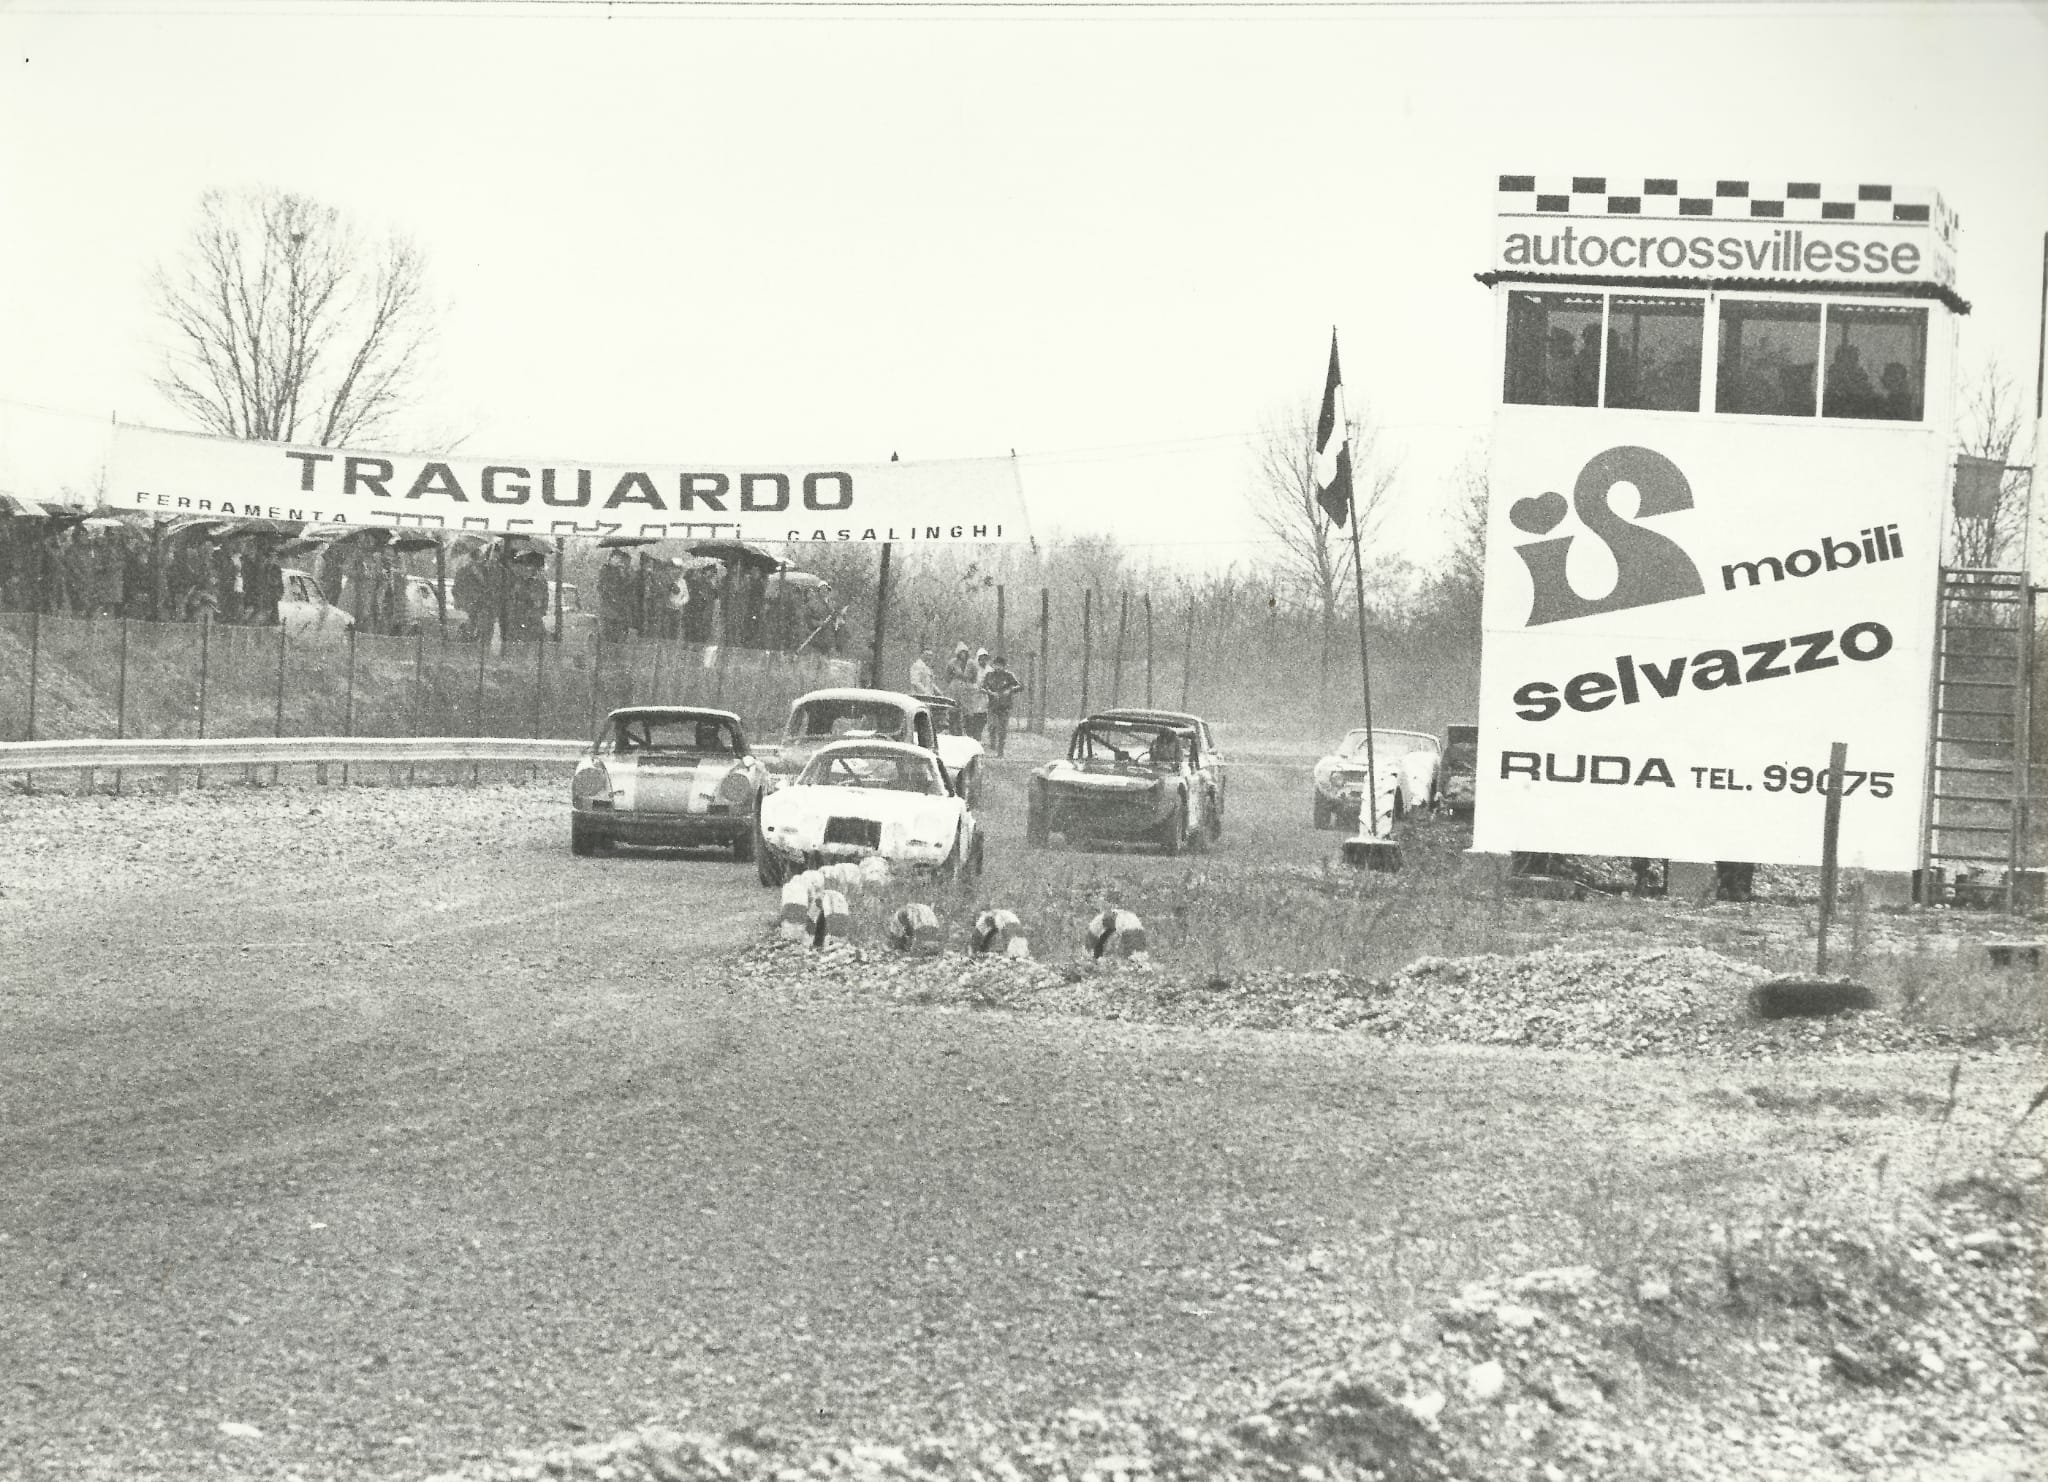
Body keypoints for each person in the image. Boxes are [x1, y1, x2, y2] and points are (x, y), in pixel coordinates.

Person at [979, 654, 1023, 757]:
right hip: (992, 705)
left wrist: (1010, 690)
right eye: (996, 665)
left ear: (1004, 666)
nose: (997, 667)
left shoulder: (1008, 675)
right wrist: (989, 692)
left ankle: (1000, 751)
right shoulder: (989, 675)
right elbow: (983, 687)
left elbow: (1020, 686)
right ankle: (993, 743)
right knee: (992, 725)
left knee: (1002, 729)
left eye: (1000, 665)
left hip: (1005, 705)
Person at [963, 646, 993, 741]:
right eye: (981, 658)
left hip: (984, 698)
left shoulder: (990, 669)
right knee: (972, 719)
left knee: (982, 719)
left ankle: (977, 737)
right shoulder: (973, 667)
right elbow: (967, 681)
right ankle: (972, 737)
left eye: (985, 658)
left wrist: (987, 690)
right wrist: (975, 687)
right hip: (973, 697)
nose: (983, 661)